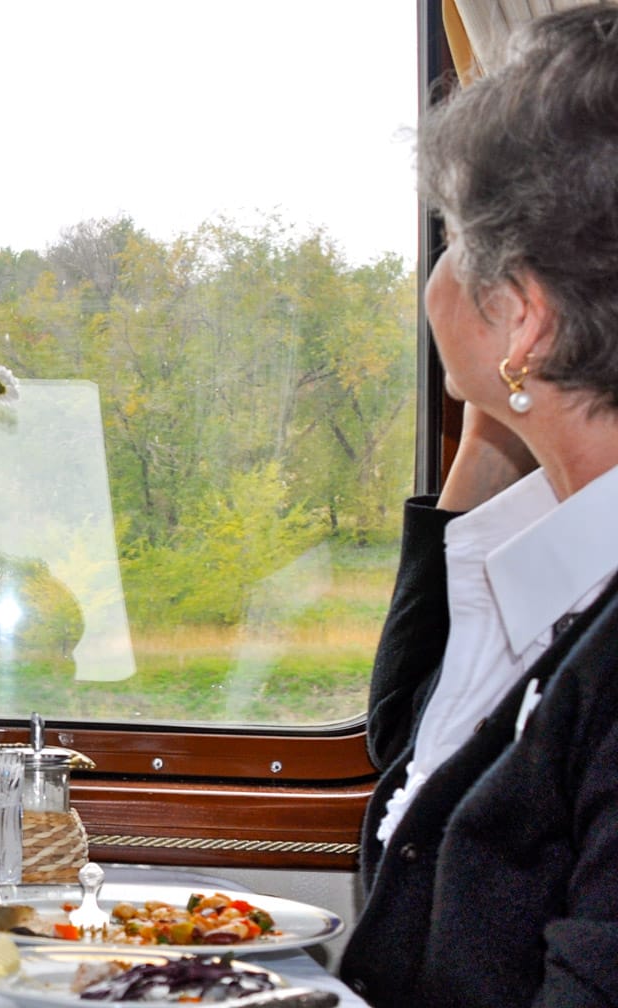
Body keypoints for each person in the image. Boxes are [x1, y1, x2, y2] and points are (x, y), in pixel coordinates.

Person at [340, 6, 618, 1005]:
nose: (432, 278)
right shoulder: (573, 556)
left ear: (526, 315)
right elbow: (416, 732)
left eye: (455, 240)